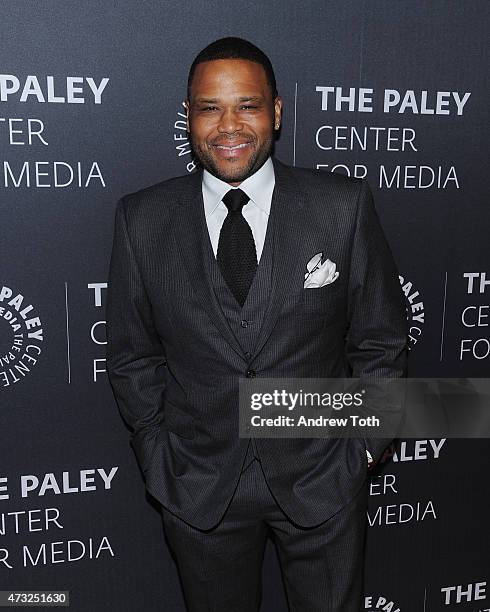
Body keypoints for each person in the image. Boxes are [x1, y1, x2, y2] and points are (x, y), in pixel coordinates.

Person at [106, 36, 408, 612]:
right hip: (197, 486)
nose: (228, 126)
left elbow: (382, 341)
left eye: (246, 105)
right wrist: (156, 453)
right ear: (189, 116)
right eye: (209, 107)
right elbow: (131, 356)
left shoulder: (341, 207)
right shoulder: (141, 219)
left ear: (276, 111)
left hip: (323, 476)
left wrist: (363, 452)